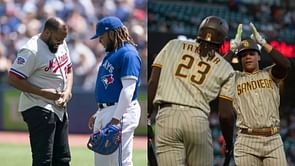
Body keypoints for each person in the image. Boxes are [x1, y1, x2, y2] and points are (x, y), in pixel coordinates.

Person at [148, 16, 236, 166]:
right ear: (222, 40)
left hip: (166, 117)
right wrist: (229, 142)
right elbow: (226, 115)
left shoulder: (173, 45)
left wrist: (147, 116)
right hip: (197, 120)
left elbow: (153, 82)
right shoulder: (226, 68)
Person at [8, 17, 73, 166]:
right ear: (48, 33)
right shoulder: (31, 50)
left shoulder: (60, 42)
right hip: (38, 106)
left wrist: (67, 91)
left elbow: (69, 68)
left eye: (63, 38)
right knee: (43, 160)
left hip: (59, 107)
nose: (61, 42)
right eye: (58, 38)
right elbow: (13, 79)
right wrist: (43, 92)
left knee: (63, 159)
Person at [225, 23, 291, 165]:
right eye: (243, 55)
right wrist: (232, 50)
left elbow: (285, 64)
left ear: (259, 57)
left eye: (251, 53)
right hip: (246, 141)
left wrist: (263, 43)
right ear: (240, 59)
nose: (247, 57)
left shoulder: (270, 73)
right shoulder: (234, 77)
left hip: (273, 139)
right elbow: (215, 72)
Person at [87, 16, 141, 166]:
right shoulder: (112, 54)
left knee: (121, 162)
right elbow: (111, 87)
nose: (100, 41)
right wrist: (99, 112)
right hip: (108, 110)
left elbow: (128, 90)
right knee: (103, 162)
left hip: (120, 112)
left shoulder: (128, 53)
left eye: (101, 36)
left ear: (111, 33)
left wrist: (115, 120)